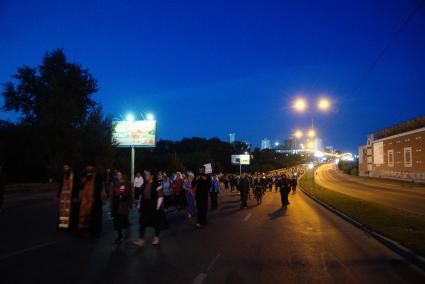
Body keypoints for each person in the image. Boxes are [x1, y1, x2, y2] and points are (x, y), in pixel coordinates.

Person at [134, 170, 167, 247]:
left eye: (148, 174)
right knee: (142, 223)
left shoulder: (156, 184)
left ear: (152, 176)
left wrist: (157, 208)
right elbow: (142, 196)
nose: (146, 176)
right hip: (145, 206)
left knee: (156, 223)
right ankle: (141, 240)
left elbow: (160, 196)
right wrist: (139, 205)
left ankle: (156, 238)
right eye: (145, 174)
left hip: (154, 206)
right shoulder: (144, 184)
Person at [78, 164, 104, 237]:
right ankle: (83, 230)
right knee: (84, 215)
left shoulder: (97, 175)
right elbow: (80, 184)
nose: (89, 168)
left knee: (94, 216)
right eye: (88, 166)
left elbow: (100, 187)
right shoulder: (84, 174)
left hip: (94, 199)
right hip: (85, 199)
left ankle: (94, 232)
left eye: (90, 166)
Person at [110, 171, 131, 243]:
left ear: (122, 175)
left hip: (122, 205)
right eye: (117, 175)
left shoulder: (125, 183)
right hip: (115, 204)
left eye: (119, 175)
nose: (118, 176)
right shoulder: (114, 183)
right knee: (116, 221)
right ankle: (120, 235)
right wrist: (110, 207)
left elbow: (127, 194)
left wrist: (122, 194)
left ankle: (121, 234)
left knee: (121, 220)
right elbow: (111, 195)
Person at [57, 164, 79, 230]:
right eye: (64, 167)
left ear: (70, 167)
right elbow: (61, 185)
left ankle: (70, 226)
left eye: (66, 167)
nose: (65, 169)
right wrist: (58, 195)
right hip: (64, 197)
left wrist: (75, 196)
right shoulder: (64, 175)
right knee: (63, 211)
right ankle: (63, 224)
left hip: (71, 196)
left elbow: (76, 186)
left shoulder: (74, 175)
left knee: (71, 212)